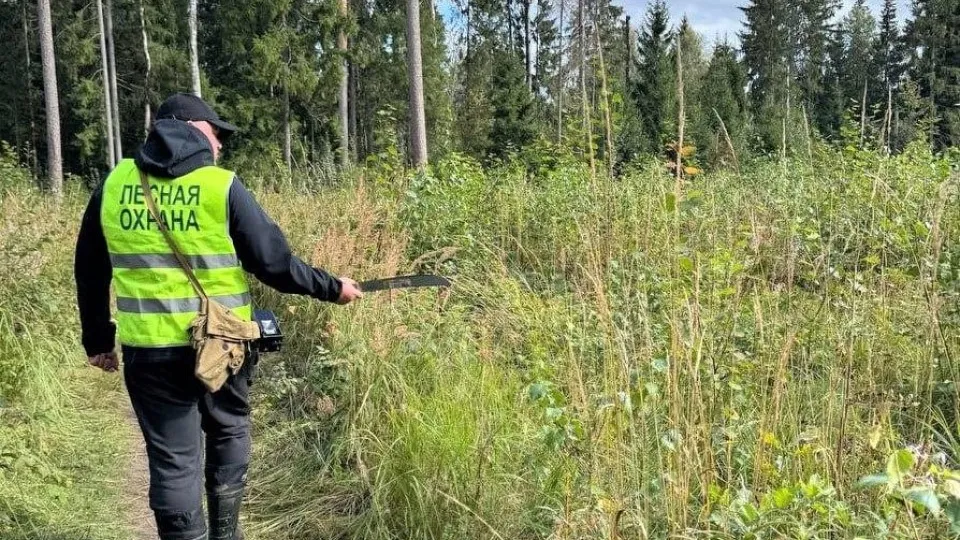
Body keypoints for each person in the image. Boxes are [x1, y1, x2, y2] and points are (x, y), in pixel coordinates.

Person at [74, 92, 363, 540]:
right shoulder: (220, 184)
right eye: (216, 132)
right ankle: (225, 535)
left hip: (149, 352)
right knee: (228, 431)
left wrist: (97, 339)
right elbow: (274, 263)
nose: (222, 144)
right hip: (222, 346)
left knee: (173, 462)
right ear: (189, 128)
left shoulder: (113, 185)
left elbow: (90, 269)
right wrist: (333, 288)